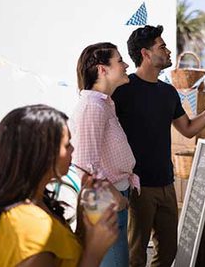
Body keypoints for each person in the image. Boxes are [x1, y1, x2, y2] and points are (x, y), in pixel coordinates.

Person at [112, 25, 205, 267]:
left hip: (167, 184)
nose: (168, 51)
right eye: (162, 46)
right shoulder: (122, 90)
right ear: (145, 53)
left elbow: (187, 129)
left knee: (168, 251)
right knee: (135, 256)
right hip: (138, 187)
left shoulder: (168, 92)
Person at [0, 104, 118, 266]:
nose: (73, 149)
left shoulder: (36, 204)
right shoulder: (29, 225)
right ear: (42, 154)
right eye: (67, 145)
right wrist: (94, 253)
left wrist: (84, 226)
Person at [70, 42, 140, 267]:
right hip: (107, 201)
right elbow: (83, 165)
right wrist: (115, 197)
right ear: (103, 69)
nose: (126, 64)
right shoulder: (92, 106)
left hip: (113, 198)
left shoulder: (104, 104)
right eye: (120, 61)